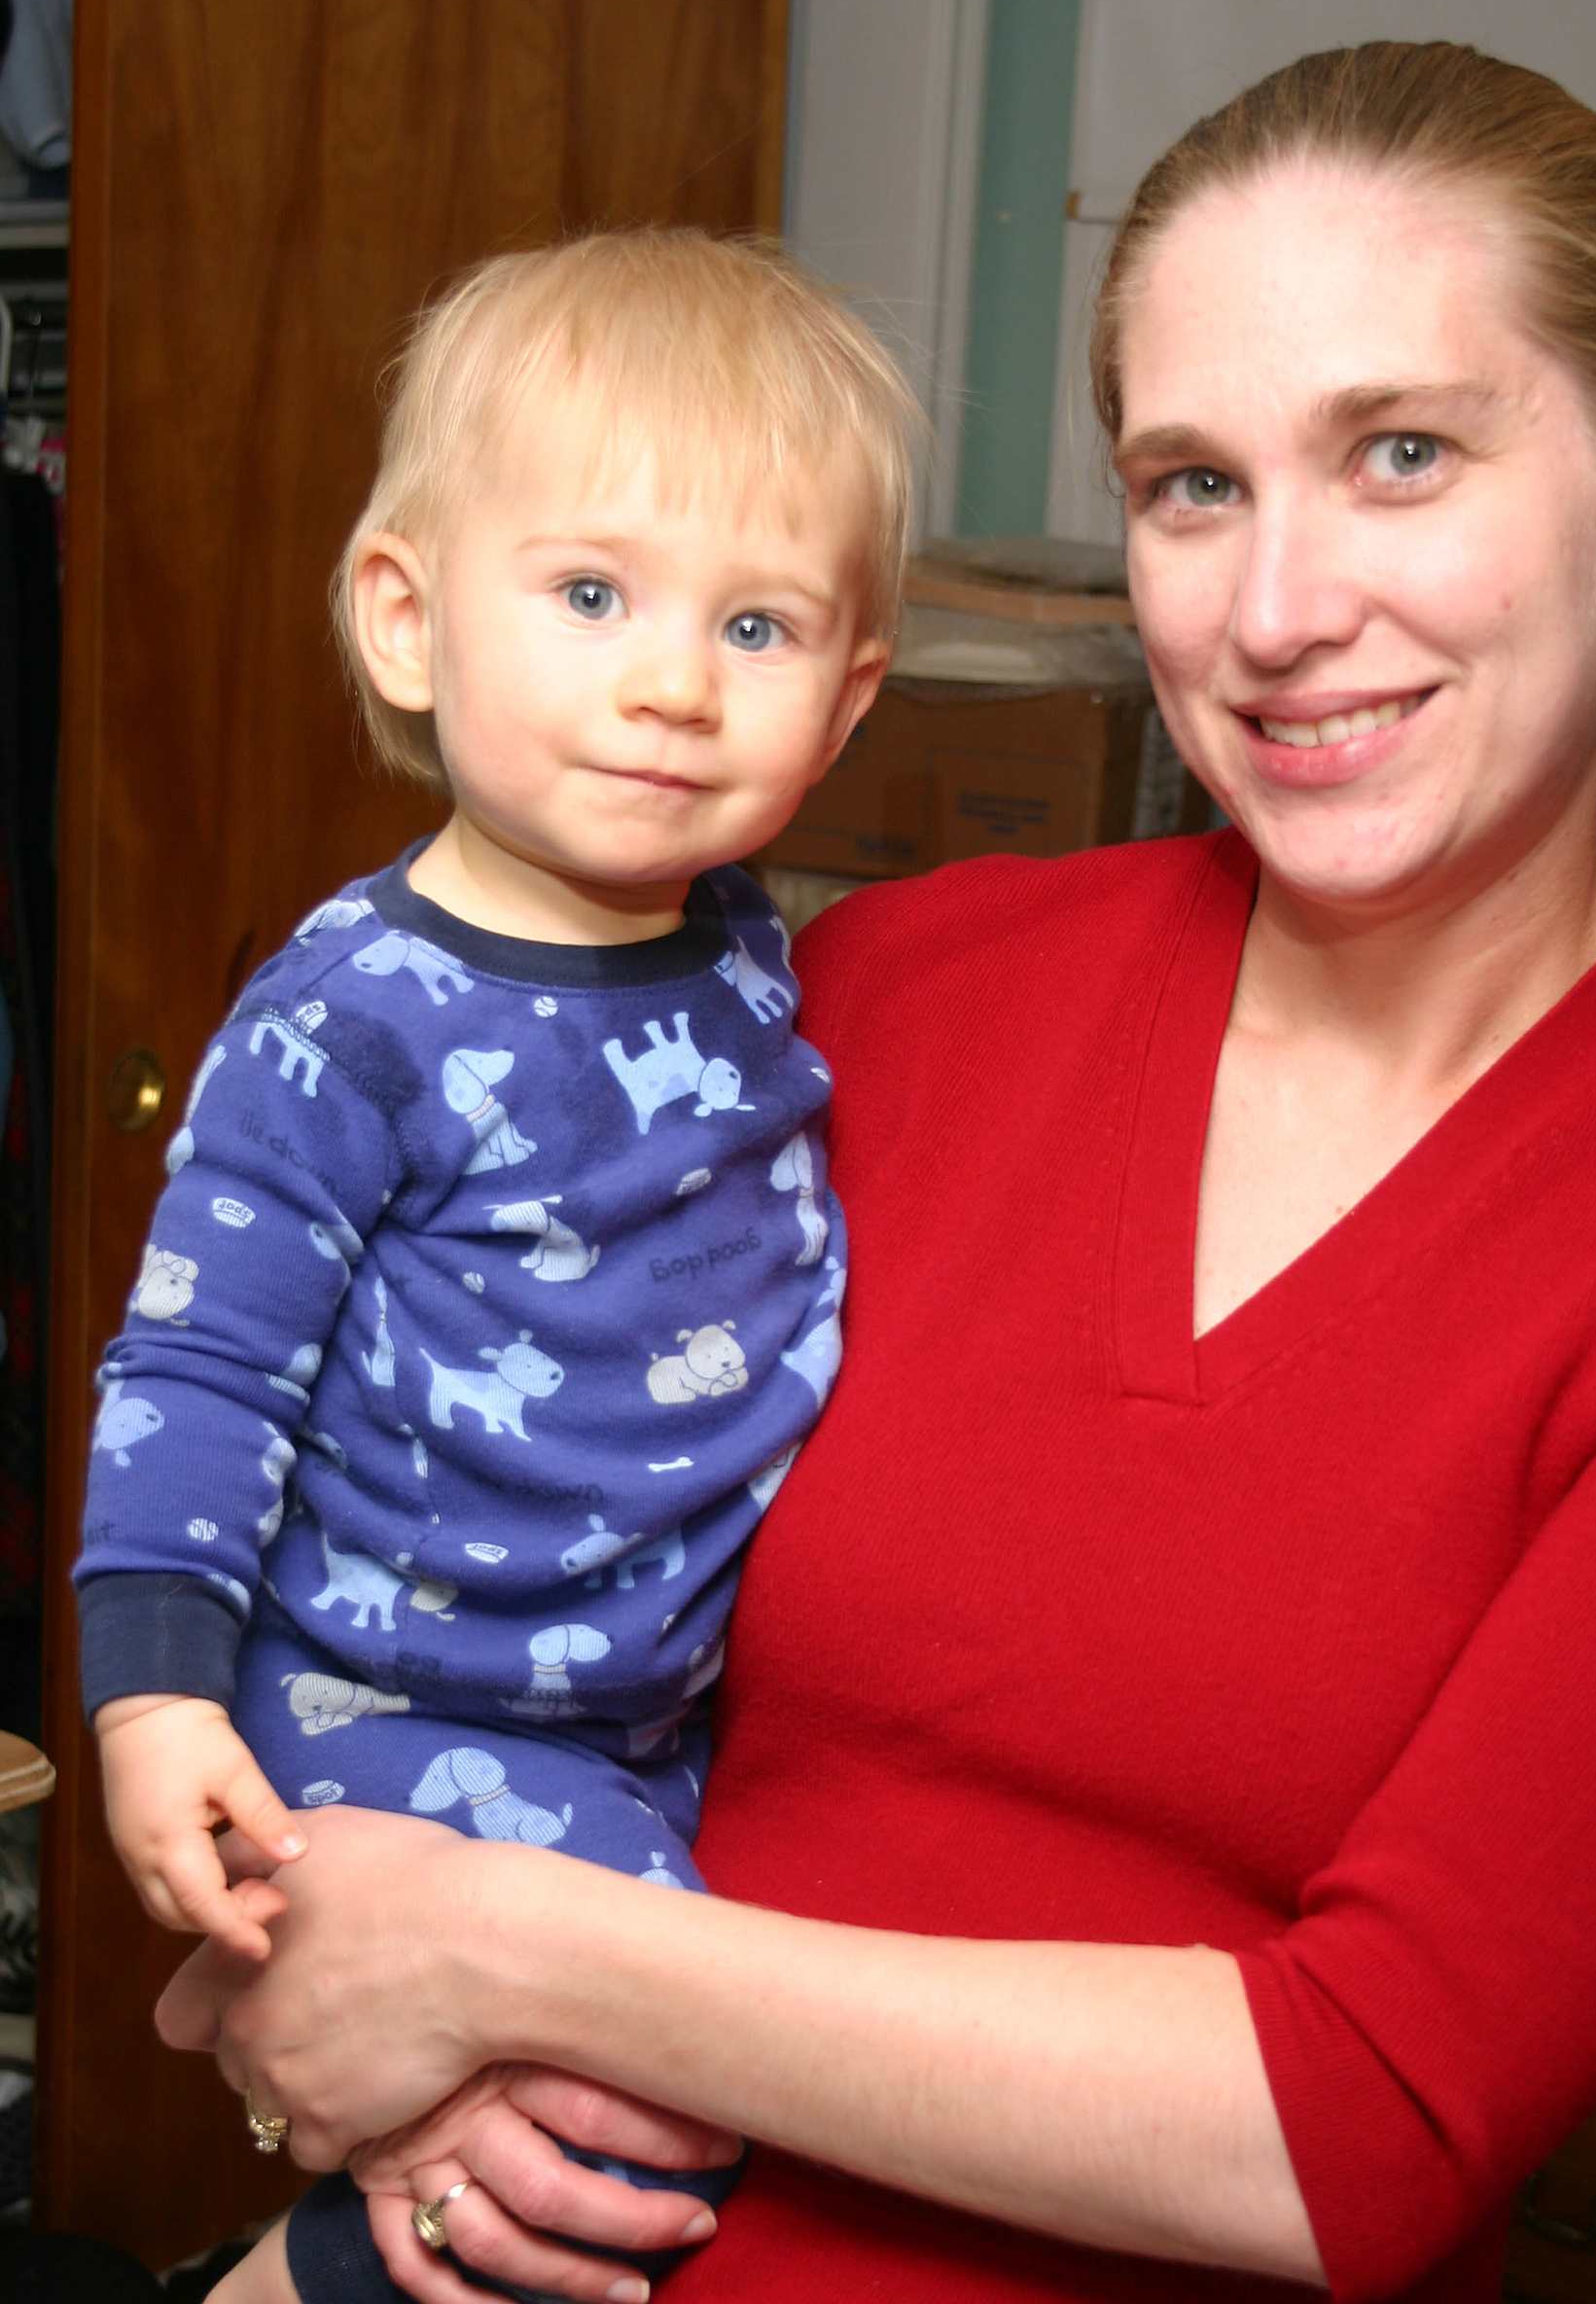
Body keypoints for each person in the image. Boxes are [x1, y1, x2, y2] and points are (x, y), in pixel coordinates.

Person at [159, 41, 1596, 2304]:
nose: (1277, 610)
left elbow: (1364, 2123)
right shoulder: (860, 1002)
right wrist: (345, 2043)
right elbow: (360, 1527)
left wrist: (492, 1954)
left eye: (1403, 455)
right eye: (1193, 485)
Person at [72, 229, 912, 2301]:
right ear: (408, 617)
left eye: (756, 624)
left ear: (849, 698)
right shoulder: (348, 1014)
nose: (673, 682)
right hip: (382, 1702)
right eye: (594, 594)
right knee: (655, 2115)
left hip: (651, 1709)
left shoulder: (751, 954)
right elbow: (198, 1369)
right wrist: (151, 1696)